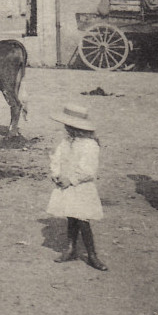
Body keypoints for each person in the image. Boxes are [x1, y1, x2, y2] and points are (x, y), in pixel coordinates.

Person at [47, 104, 107, 271]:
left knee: (82, 219)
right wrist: (56, 173)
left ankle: (92, 254)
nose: (66, 128)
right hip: (66, 185)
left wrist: (71, 179)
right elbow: (56, 158)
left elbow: (88, 170)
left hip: (81, 187)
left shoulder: (89, 145)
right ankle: (71, 249)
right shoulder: (66, 142)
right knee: (71, 217)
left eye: (69, 125)